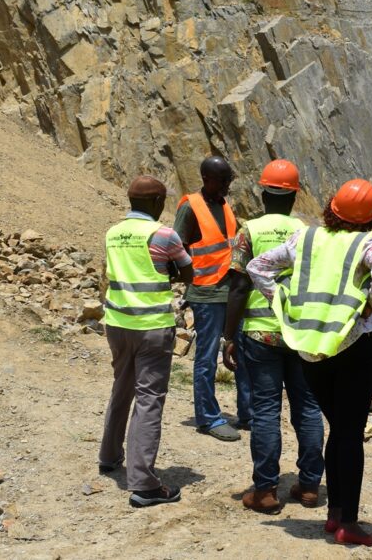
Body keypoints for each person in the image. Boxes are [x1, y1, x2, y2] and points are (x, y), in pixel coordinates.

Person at [248, 179, 372, 547]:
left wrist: (280, 303)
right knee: (349, 434)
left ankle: (334, 516)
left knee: (338, 428)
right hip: (353, 346)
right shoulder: (367, 243)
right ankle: (347, 521)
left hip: (310, 349)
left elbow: (257, 267)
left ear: (332, 208)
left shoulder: (306, 238)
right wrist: (368, 306)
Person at [221, 160, 324, 514]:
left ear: (263, 193)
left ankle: (265, 490)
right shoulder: (309, 233)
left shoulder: (249, 230)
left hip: (260, 334)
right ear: (295, 195)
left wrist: (227, 336)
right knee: (308, 407)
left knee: (265, 409)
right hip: (300, 333)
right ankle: (310, 486)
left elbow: (238, 286)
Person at [99, 176, 193, 508]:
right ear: (156, 203)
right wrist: (166, 271)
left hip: (117, 322)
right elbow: (187, 272)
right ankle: (144, 484)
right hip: (152, 325)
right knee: (149, 398)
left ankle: (109, 456)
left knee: (121, 386)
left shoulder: (113, 233)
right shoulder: (164, 234)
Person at [173, 156, 249, 442]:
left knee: (240, 349)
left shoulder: (224, 205)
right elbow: (176, 246)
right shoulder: (190, 206)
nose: (228, 186)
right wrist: (186, 280)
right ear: (207, 178)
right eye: (224, 180)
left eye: (230, 180)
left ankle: (247, 412)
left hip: (231, 291)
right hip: (206, 292)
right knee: (206, 357)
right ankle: (208, 418)